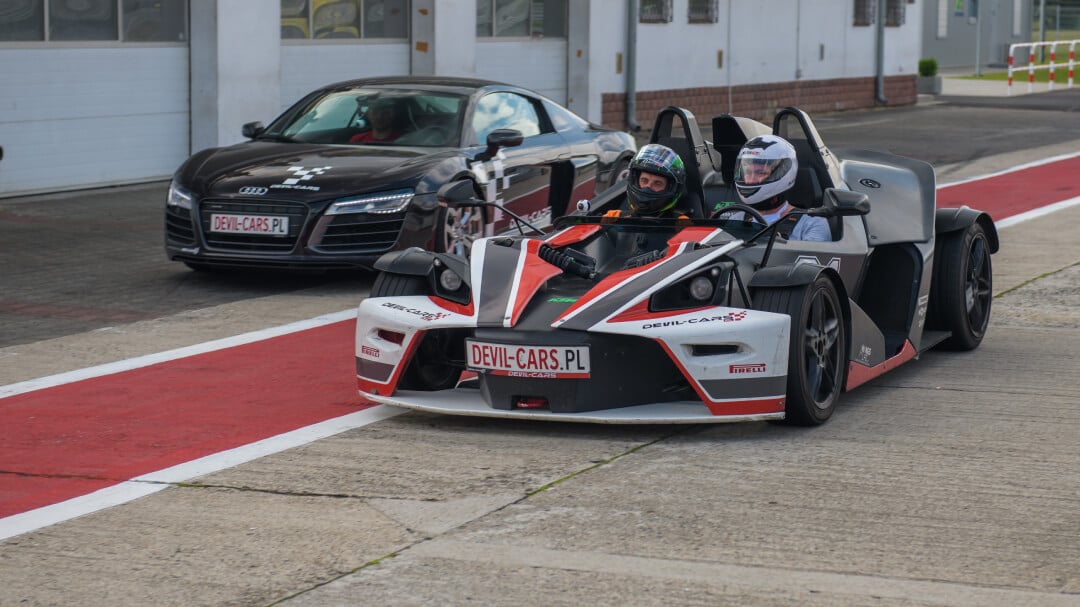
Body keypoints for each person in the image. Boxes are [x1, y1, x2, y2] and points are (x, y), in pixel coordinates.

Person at [731, 134, 831, 242]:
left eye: (760, 173)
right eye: (748, 172)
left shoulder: (812, 223)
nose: (750, 180)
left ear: (783, 173)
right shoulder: (735, 221)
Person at [622, 143, 696, 218]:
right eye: (644, 180)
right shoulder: (614, 217)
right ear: (635, 181)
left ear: (670, 188)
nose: (648, 187)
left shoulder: (682, 224)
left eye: (657, 183)